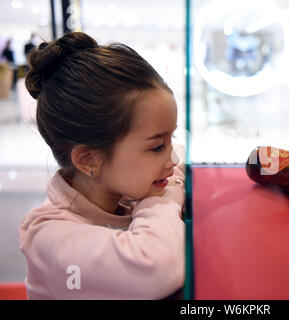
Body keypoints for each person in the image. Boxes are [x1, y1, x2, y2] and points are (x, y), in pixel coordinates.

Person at [18, 32, 186, 299]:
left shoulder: (123, 187)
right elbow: (159, 267)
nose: (173, 159)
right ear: (89, 160)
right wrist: (162, 201)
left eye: (170, 138)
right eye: (156, 147)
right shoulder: (47, 235)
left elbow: (178, 158)